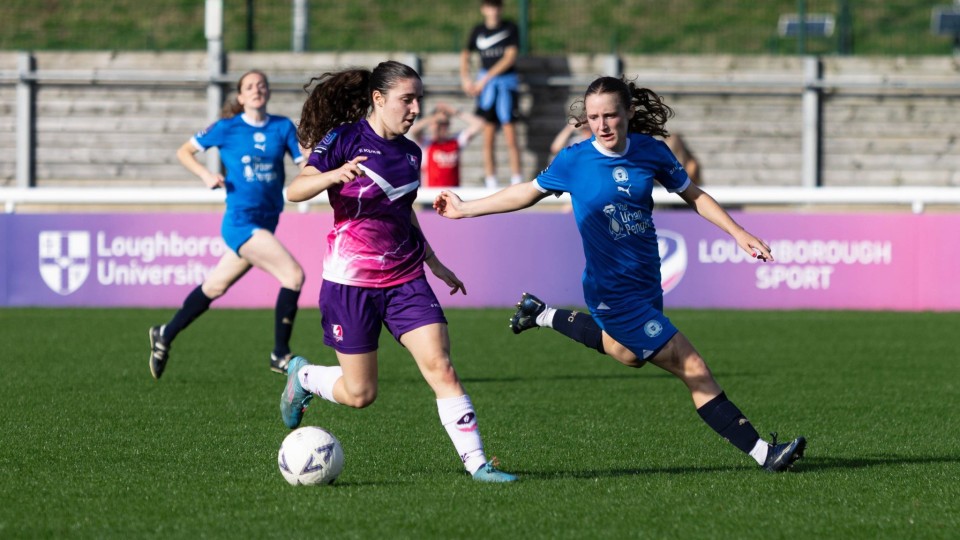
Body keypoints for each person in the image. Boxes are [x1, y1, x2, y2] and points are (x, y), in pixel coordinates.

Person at [434, 75, 807, 473]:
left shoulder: (650, 151)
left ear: (628, 112)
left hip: (646, 282)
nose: (602, 125)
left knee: (628, 354)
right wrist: (465, 208)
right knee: (693, 367)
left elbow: (693, 194)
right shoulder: (575, 160)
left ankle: (542, 314)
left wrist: (738, 232)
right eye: (594, 117)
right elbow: (527, 191)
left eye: (610, 115)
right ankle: (764, 454)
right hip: (611, 290)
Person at [280, 60, 517, 483]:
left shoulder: (411, 153)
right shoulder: (344, 139)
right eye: (407, 100)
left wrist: (434, 261)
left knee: (441, 366)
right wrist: (332, 174)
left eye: (418, 100)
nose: (415, 109)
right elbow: (295, 189)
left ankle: (478, 464)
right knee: (360, 393)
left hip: (406, 278)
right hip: (350, 283)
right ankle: (305, 376)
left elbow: (401, 211)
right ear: (378, 99)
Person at [148, 70, 306, 379]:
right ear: (241, 96)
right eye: (250, 86)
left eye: (262, 85)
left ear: (268, 92)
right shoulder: (227, 127)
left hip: (267, 221)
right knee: (293, 275)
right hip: (241, 222)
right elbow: (184, 151)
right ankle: (280, 353)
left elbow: (305, 164)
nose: (257, 89)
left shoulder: (283, 127)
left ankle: (165, 333)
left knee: (214, 286)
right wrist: (206, 175)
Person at [460, 0, 523, 188]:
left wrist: (485, 79)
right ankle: (491, 181)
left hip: (506, 86)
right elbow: (465, 55)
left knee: (511, 136)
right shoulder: (478, 30)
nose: (493, 11)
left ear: (501, 9)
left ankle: (517, 180)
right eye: (489, 7)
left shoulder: (510, 28)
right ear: (483, 9)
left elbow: (509, 57)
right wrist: (466, 78)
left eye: (496, 7)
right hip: (487, 90)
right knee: (488, 136)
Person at [407, 102, 484, 188]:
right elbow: (414, 130)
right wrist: (433, 117)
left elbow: (479, 124)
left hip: (453, 193)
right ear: (431, 125)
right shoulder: (426, 143)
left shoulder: (456, 141)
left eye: (445, 124)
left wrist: (456, 112)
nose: (442, 127)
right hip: (431, 194)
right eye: (439, 123)